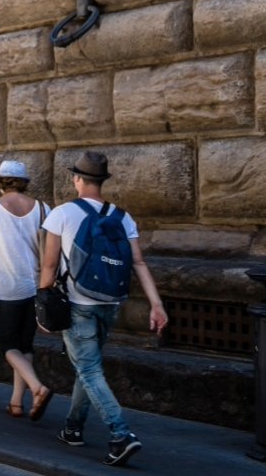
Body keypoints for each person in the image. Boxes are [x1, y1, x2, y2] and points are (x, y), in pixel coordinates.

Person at [39, 152, 168, 468]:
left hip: (78, 304)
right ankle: (73, 428)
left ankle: (120, 435)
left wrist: (42, 303)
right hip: (110, 303)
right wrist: (156, 303)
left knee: (89, 370)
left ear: (77, 179)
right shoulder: (123, 217)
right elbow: (138, 262)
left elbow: (50, 263)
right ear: (103, 181)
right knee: (89, 368)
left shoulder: (63, 213)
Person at [0, 159, 53, 422]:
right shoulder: (42, 208)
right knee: (24, 345)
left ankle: (37, 388)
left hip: (8, 286)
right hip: (35, 285)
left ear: (0, 182)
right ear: (23, 182)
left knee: (8, 346)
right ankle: (16, 402)